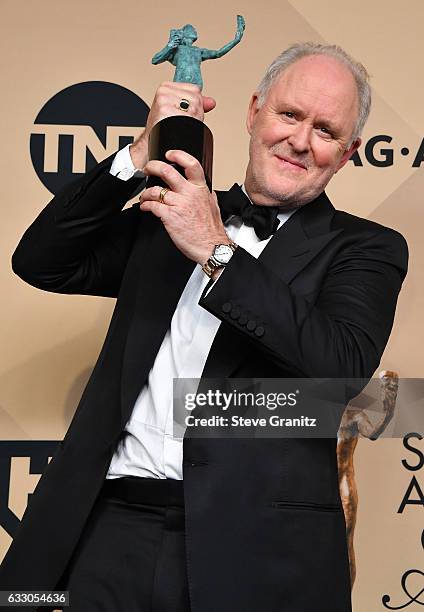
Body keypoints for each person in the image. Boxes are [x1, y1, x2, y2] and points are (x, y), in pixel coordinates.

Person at [0, 42, 408, 612]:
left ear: (347, 154)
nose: (299, 140)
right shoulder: (170, 209)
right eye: (289, 115)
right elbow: (41, 261)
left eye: (325, 130)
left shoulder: (368, 247)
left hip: (254, 545)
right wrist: (140, 152)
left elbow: (339, 368)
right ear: (253, 112)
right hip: (106, 526)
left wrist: (217, 251)